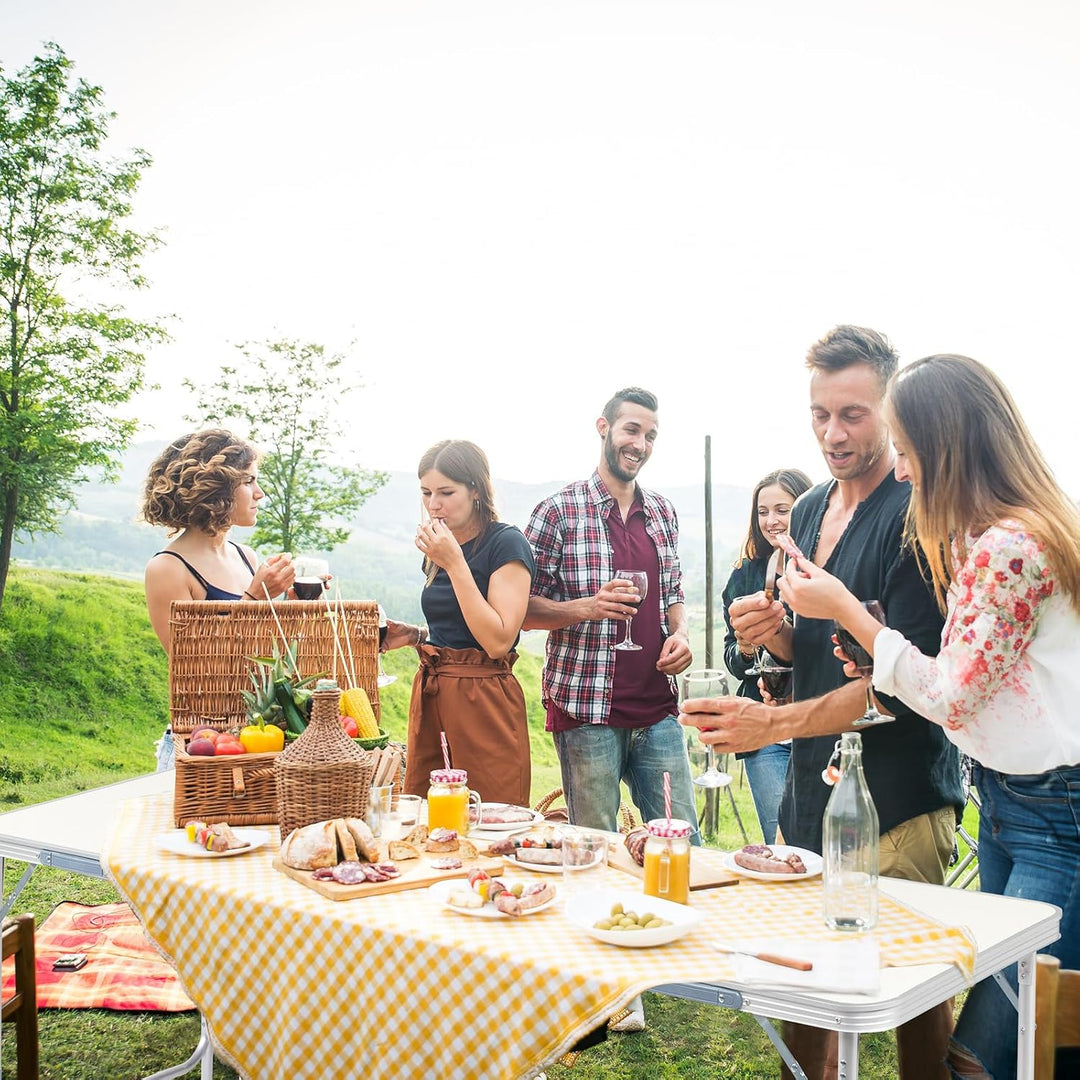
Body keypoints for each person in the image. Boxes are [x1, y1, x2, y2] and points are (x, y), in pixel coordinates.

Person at [777, 354, 1080, 1080]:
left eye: (909, 451)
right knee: (1041, 1045)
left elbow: (952, 697)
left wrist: (849, 613)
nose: (904, 472)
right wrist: (880, 651)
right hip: (1009, 805)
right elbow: (965, 678)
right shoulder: (988, 536)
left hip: (1056, 819)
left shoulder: (1010, 547)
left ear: (950, 447)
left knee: (982, 1055)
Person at [682, 326, 964, 1080]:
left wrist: (766, 724)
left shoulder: (920, 514)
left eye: (853, 415)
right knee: (801, 982)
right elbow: (813, 650)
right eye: (819, 414)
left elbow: (904, 685)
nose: (832, 434)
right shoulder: (806, 510)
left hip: (900, 793)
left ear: (891, 410)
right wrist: (772, 636)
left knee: (911, 995)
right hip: (813, 787)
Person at [524, 386, 696, 1034]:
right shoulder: (558, 511)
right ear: (603, 427)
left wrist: (678, 633)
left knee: (679, 844)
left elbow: (673, 592)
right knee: (592, 849)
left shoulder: (663, 513)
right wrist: (585, 609)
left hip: (657, 709)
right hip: (587, 708)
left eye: (650, 435)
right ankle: (607, 992)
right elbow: (520, 606)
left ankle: (669, 964)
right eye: (631, 430)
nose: (639, 444)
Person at [384, 440, 535, 807]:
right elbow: (458, 623)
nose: (434, 504)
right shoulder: (441, 547)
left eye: (446, 492)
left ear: (476, 490)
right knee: (428, 815)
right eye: (426, 492)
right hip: (434, 692)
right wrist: (417, 635)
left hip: (483, 699)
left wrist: (453, 563)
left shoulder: (506, 543)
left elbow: (498, 640)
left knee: (491, 815)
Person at [141, 429, 296, 767]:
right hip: (202, 748)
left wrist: (293, 604)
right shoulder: (168, 568)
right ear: (216, 491)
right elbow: (194, 665)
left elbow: (260, 655)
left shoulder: (247, 557)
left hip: (254, 740)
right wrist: (256, 597)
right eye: (248, 482)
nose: (260, 493)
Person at [722, 468, 812, 843]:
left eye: (782, 509)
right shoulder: (744, 575)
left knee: (820, 843)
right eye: (763, 511)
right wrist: (745, 647)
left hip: (817, 723)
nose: (771, 520)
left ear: (807, 509)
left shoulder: (821, 567)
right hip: (765, 730)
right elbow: (733, 659)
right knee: (782, 842)